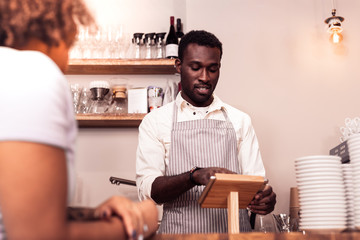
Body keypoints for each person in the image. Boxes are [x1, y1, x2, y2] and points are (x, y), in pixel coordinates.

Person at [0, 1, 157, 239]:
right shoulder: (29, 72)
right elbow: (38, 236)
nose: (66, 62)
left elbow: (12, 210)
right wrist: (143, 221)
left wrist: (91, 214)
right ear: (55, 23)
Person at [136, 30, 276, 234]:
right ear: (178, 66)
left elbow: (256, 185)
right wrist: (194, 176)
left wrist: (264, 199)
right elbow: (150, 192)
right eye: (195, 67)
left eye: (212, 69)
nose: (204, 77)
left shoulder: (240, 121)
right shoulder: (155, 121)